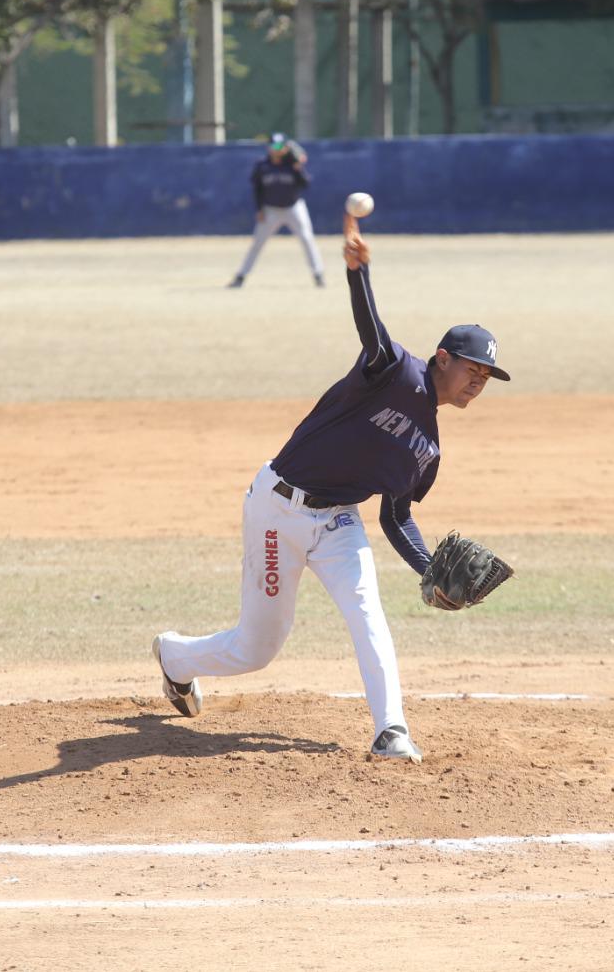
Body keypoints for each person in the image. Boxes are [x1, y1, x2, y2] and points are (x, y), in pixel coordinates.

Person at [155, 210, 510, 762]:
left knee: (368, 614)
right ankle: (176, 657)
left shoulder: (428, 450)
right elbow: (371, 330)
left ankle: (391, 730)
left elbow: (396, 515)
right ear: (442, 359)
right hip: (278, 508)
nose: (477, 384)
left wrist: (428, 571)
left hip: (340, 522)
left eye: (485, 378)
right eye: (473, 371)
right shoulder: (394, 372)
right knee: (257, 648)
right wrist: (357, 273)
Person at [227, 132, 326, 289]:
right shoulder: (262, 166)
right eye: (274, 145)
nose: (276, 149)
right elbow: (257, 189)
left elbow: (306, 184)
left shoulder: (292, 164)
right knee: (257, 243)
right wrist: (259, 209)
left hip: (294, 208)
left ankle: (318, 274)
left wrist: (298, 168)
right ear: (268, 147)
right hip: (270, 210)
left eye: (280, 146)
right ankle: (241, 276)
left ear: (286, 147)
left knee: (307, 239)